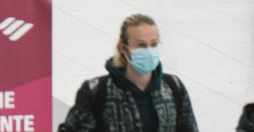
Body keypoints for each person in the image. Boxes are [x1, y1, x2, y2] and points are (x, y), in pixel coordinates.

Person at [56, 14, 199, 132]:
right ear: (123, 48)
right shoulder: (96, 91)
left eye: (154, 44)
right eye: (141, 45)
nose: (149, 51)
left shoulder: (174, 87)